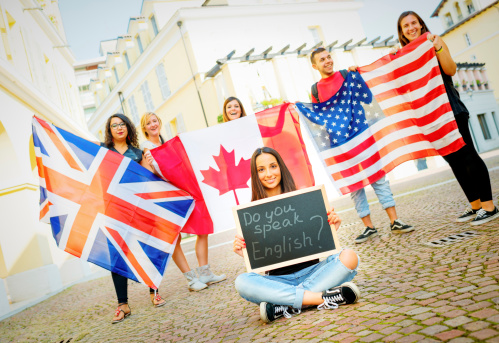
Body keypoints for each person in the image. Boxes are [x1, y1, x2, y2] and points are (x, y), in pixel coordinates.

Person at [393, 11, 498, 225]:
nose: (411, 27)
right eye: (406, 26)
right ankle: (475, 206)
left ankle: (490, 207)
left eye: (414, 23)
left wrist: (437, 46)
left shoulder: (434, 41)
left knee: (468, 156)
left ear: (421, 25)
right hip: (431, 117)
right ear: (402, 32)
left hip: (451, 109)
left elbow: (450, 69)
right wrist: (395, 57)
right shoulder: (404, 55)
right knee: (455, 163)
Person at [233, 147, 360, 323]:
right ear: (255, 175)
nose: (268, 173)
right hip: (278, 282)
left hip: (314, 273)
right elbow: (260, 260)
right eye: (261, 170)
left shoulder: (305, 200)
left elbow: (318, 237)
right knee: (242, 282)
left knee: (350, 257)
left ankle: (285, 305)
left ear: (281, 168)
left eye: (273, 166)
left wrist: (331, 228)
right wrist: (245, 253)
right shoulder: (250, 214)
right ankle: (320, 298)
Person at [309, 47, 414, 244]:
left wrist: (357, 78)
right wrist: (297, 106)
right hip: (341, 145)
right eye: (322, 59)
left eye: (329, 57)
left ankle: (395, 220)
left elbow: (366, 98)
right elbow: (317, 117)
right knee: (355, 186)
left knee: (379, 177)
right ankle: (368, 227)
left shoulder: (347, 75)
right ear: (315, 66)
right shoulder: (315, 90)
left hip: (362, 135)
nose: (328, 61)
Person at [140, 112, 226, 292]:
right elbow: (149, 177)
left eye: (155, 121)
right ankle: (191, 279)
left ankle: (204, 272)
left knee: (202, 227)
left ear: (160, 122)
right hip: (166, 197)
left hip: (183, 192)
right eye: (149, 123)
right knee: (175, 238)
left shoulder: (165, 144)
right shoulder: (146, 149)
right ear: (144, 128)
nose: (153, 124)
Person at [98, 113, 166, 324]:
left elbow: (148, 180)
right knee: (117, 255)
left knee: (147, 249)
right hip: (114, 210)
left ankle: (154, 291)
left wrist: (152, 165)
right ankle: (123, 305)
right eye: (114, 125)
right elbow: (78, 144)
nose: (118, 128)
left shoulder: (138, 153)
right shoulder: (102, 150)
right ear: (109, 131)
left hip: (138, 209)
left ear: (128, 127)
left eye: (122, 124)